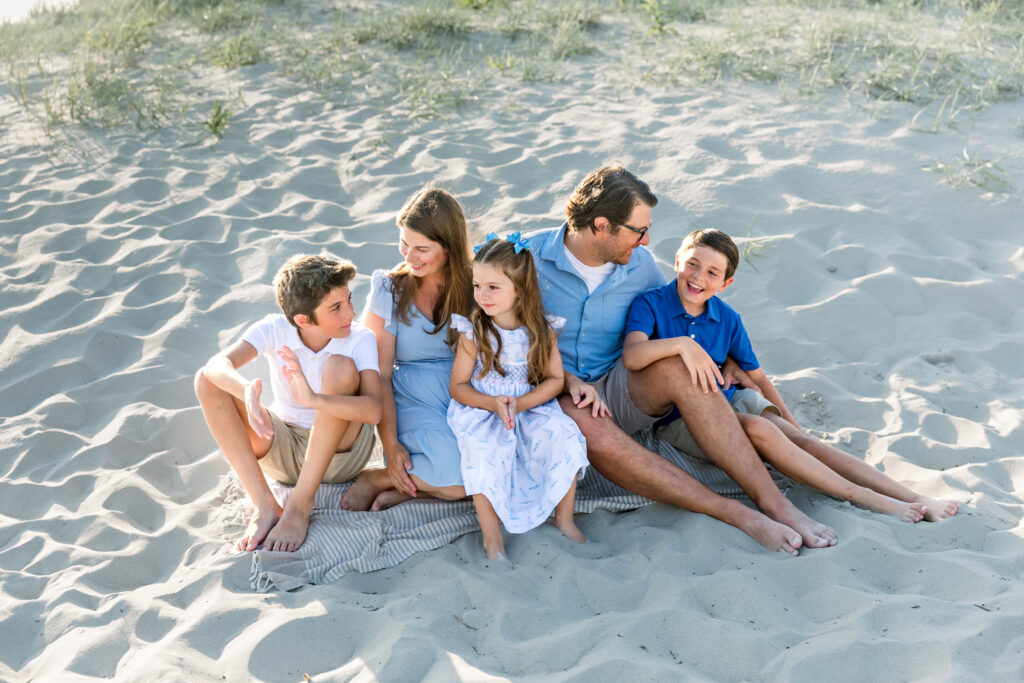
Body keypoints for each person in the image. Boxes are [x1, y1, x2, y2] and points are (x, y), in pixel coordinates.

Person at [529, 165, 837, 556]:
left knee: (680, 362)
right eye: (638, 230)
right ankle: (732, 512)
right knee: (582, 418)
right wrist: (568, 381)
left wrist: (725, 359)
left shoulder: (638, 263)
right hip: (557, 390)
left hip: (620, 383)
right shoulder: (528, 259)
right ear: (602, 225)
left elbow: (676, 311)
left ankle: (775, 503)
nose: (646, 240)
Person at [625, 228, 960, 523]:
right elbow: (633, 355)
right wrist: (680, 345)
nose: (698, 276)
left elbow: (758, 379)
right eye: (693, 263)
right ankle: (871, 500)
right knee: (759, 429)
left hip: (732, 397)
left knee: (804, 443)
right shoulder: (651, 304)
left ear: (726, 284)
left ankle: (914, 497)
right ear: (678, 259)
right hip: (684, 416)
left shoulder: (727, 319)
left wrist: (795, 432)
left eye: (713, 272)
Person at [194, 255, 382, 552]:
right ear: (303, 320)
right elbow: (217, 365)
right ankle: (265, 504)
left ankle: (299, 506)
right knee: (207, 381)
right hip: (284, 448)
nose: (350, 312)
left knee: (340, 367)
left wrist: (315, 399)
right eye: (336, 307)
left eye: (349, 300)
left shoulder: (360, 338)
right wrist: (244, 390)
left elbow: (374, 410)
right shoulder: (274, 328)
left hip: (340, 454)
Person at [447, 234, 590, 560]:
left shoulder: (542, 330)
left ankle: (564, 519)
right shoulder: (474, 332)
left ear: (520, 289)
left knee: (565, 436)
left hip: (530, 405)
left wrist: (522, 404)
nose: (482, 295)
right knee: (483, 452)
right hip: (483, 408)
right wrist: (493, 404)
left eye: (493, 287)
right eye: (477, 286)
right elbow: (458, 386)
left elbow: (555, 379)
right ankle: (492, 537)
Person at [343, 187, 471, 510]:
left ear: (449, 247)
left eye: (421, 249)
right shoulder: (390, 289)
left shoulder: (475, 284)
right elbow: (380, 374)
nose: (408, 256)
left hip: (463, 394)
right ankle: (384, 475)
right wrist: (391, 444)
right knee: (461, 476)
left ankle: (400, 487)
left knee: (487, 468)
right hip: (410, 398)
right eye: (404, 243)